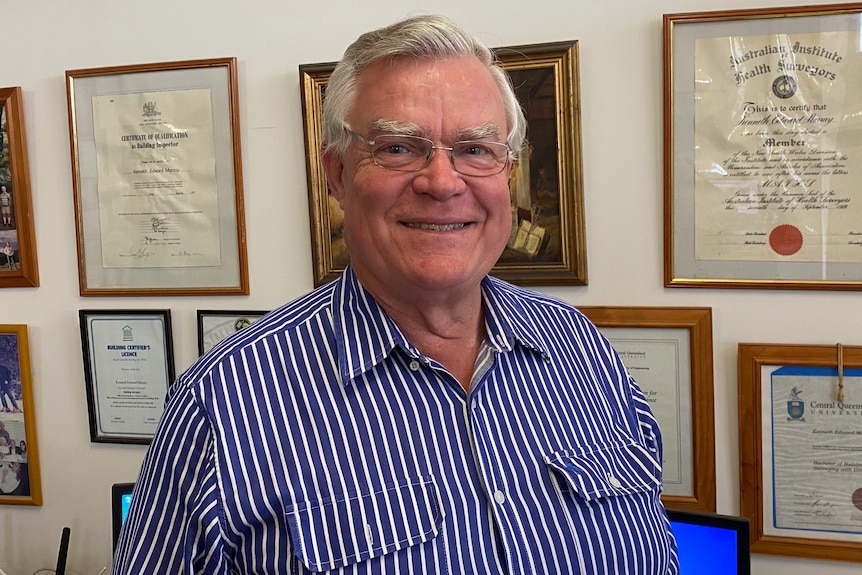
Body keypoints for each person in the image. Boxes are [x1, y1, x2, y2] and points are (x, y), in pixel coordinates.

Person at [113, 15, 679, 575]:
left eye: (476, 150)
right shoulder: (224, 401)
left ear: (507, 171)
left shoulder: (584, 352)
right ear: (336, 174)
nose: (442, 182)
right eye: (398, 148)